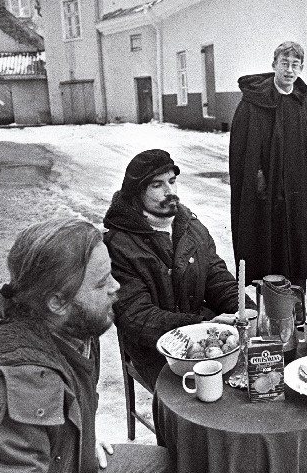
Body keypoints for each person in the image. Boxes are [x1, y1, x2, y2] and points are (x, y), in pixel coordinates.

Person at [0, 218, 176, 473]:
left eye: (111, 274)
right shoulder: (19, 399)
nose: (116, 286)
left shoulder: (69, 328)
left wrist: (76, 443)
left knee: (170, 467)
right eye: (100, 283)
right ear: (57, 302)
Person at [103, 149, 248, 390]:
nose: (170, 191)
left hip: (202, 333)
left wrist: (246, 313)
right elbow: (138, 318)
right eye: (157, 185)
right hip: (155, 350)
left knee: (251, 376)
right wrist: (206, 326)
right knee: (207, 394)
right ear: (137, 194)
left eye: (172, 181)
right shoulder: (119, 244)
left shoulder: (191, 228)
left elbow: (218, 280)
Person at [229, 40, 307, 310]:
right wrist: (259, 182)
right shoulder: (253, 105)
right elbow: (245, 155)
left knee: (299, 259)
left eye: (295, 65)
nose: (289, 70)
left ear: (301, 68)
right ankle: (273, 317)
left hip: (301, 200)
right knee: (270, 257)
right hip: (267, 201)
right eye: (284, 64)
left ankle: (297, 317)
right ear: (274, 65)